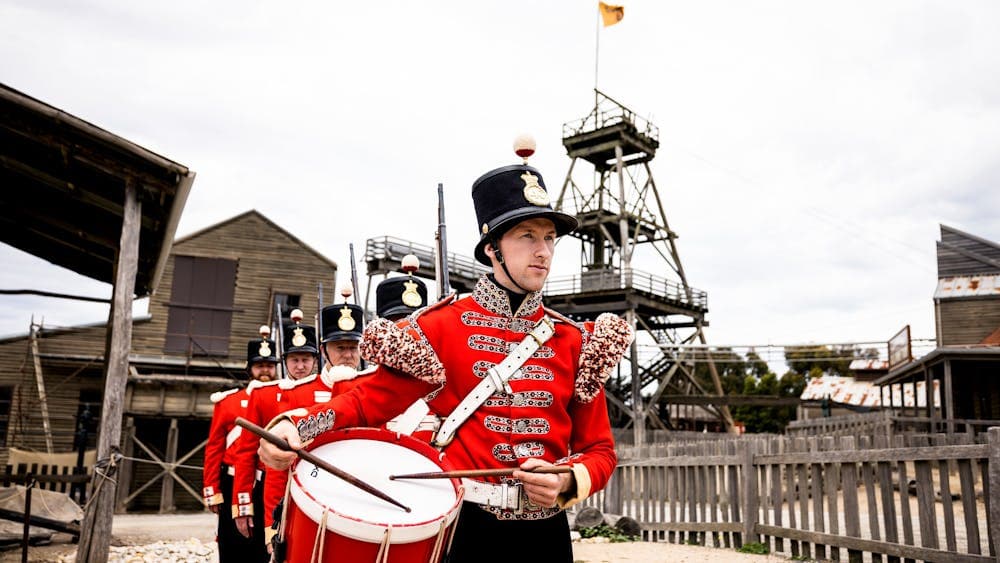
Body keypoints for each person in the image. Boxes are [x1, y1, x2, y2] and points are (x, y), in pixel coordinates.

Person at [259, 140, 634, 562]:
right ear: (492, 248)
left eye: (550, 238)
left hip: (546, 536)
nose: (544, 251)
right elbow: (369, 401)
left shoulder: (576, 342)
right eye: (527, 236)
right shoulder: (440, 326)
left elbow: (600, 450)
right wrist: (297, 426)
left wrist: (568, 480)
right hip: (466, 529)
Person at [256, 291, 374, 552]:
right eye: (339, 347)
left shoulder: (375, 393)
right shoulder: (297, 392)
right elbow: (279, 466)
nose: (348, 355)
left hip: (362, 507)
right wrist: (272, 525)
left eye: (353, 347)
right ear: (323, 350)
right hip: (306, 505)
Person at [228, 309, 318, 553]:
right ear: (285, 361)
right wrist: (243, 505)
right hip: (272, 487)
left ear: (315, 360)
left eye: (306, 359)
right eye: (294, 360)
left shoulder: (329, 393)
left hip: (317, 486)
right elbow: (246, 452)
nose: (300, 366)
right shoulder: (264, 395)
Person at [202, 327, 278, 562]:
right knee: (232, 541)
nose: (265, 371)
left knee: (265, 542)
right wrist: (211, 490)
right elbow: (214, 447)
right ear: (249, 369)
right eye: (259, 366)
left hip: (267, 480)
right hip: (232, 479)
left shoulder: (281, 397)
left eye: (269, 366)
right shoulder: (228, 402)